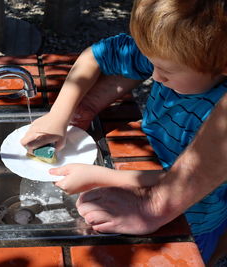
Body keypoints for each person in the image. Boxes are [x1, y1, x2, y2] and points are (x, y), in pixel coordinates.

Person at [20, 0, 227, 263]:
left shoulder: (216, 116)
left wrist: (103, 177)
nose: (153, 75)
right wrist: (58, 116)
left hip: (193, 217)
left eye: (165, 70)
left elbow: (183, 179)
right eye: (151, 63)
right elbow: (95, 56)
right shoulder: (178, 54)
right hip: (150, 167)